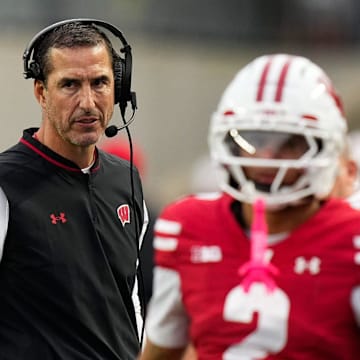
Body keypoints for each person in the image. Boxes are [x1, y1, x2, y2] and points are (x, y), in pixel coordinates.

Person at [139, 54, 360, 359]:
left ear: (326, 147)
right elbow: (162, 351)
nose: (265, 157)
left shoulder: (352, 238)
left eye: (290, 142)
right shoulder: (187, 226)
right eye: (253, 139)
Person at [0, 19, 148, 359]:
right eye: (70, 84)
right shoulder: (5, 184)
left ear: (119, 88)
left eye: (100, 83)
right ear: (41, 91)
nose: (87, 102)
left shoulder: (126, 179)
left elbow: (132, 301)